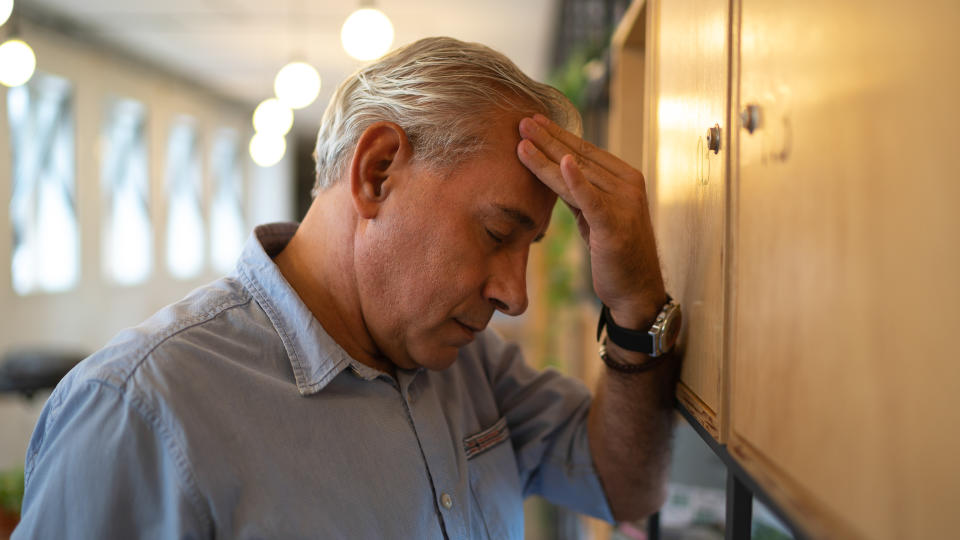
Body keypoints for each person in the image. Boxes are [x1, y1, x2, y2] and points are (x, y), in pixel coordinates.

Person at [13, 37, 681, 539]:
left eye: (529, 249)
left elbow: (622, 488)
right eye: (496, 234)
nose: (515, 295)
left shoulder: (468, 365)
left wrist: (634, 309)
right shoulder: (137, 412)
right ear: (378, 171)